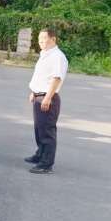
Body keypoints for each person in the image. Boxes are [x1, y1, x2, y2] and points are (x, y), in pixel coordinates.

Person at [26, 28, 68, 174]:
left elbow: (56, 79)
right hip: (39, 96)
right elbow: (43, 77)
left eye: (44, 38)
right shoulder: (44, 55)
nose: (41, 41)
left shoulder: (57, 57)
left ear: (53, 39)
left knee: (47, 132)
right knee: (39, 130)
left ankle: (46, 165)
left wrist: (47, 98)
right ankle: (40, 155)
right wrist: (34, 92)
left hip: (47, 98)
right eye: (39, 39)